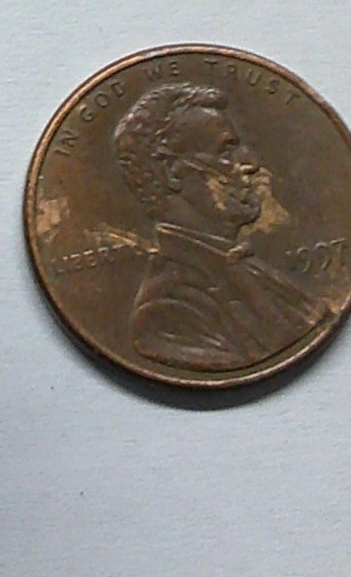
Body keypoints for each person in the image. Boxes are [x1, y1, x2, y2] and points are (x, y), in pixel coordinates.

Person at [112, 84, 328, 371]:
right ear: (170, 171)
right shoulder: (167, 313)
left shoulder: (247, 267)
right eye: (226, 152)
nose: (250, 163)